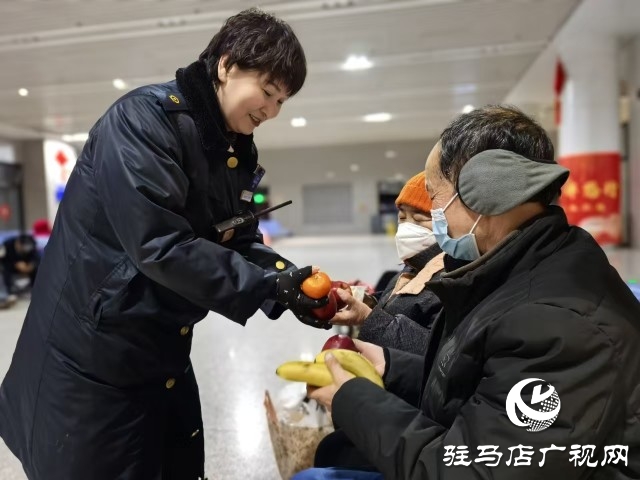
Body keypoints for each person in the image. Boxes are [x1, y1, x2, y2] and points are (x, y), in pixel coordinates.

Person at [0, 9, 328, 480]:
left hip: (160, 344)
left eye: (283, 101)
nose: (272, 111)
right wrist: (266, 288)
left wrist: (288, 281)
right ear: (227, 65)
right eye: (269, 92)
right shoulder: (142, 121)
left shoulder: (231, 145)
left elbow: (234, 236)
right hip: (94, 352)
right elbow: (159, 244)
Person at [295, 105, 640, 479]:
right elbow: (482, 384)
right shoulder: (515, 268)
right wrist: (390, 367)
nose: (434, 215)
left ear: (485, 191)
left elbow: (474, 471)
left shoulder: (561, 326)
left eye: (435, 196)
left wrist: (353, 401)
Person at [330, 172, 444, 355]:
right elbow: (398, 307)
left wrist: (368, 318)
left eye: (420, 218)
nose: (408, 227)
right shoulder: (414, 266)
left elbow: (435, 353)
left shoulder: (448, 283)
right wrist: (365, 300)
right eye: (402, 217)